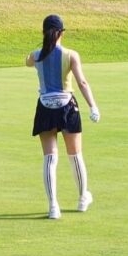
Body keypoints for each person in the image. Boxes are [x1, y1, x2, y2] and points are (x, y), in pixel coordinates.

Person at [26, 14, 100, 219]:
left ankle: (53, 207)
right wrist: (93, 106)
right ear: (61, 33)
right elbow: (82, 83)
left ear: (44, 32)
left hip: (45, 106)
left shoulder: (36, 55)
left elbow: (27, 61)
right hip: (67, 106)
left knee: (50, 158)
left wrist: (37, 53)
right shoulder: (71, 55)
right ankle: (83, 198)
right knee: (75, 155)